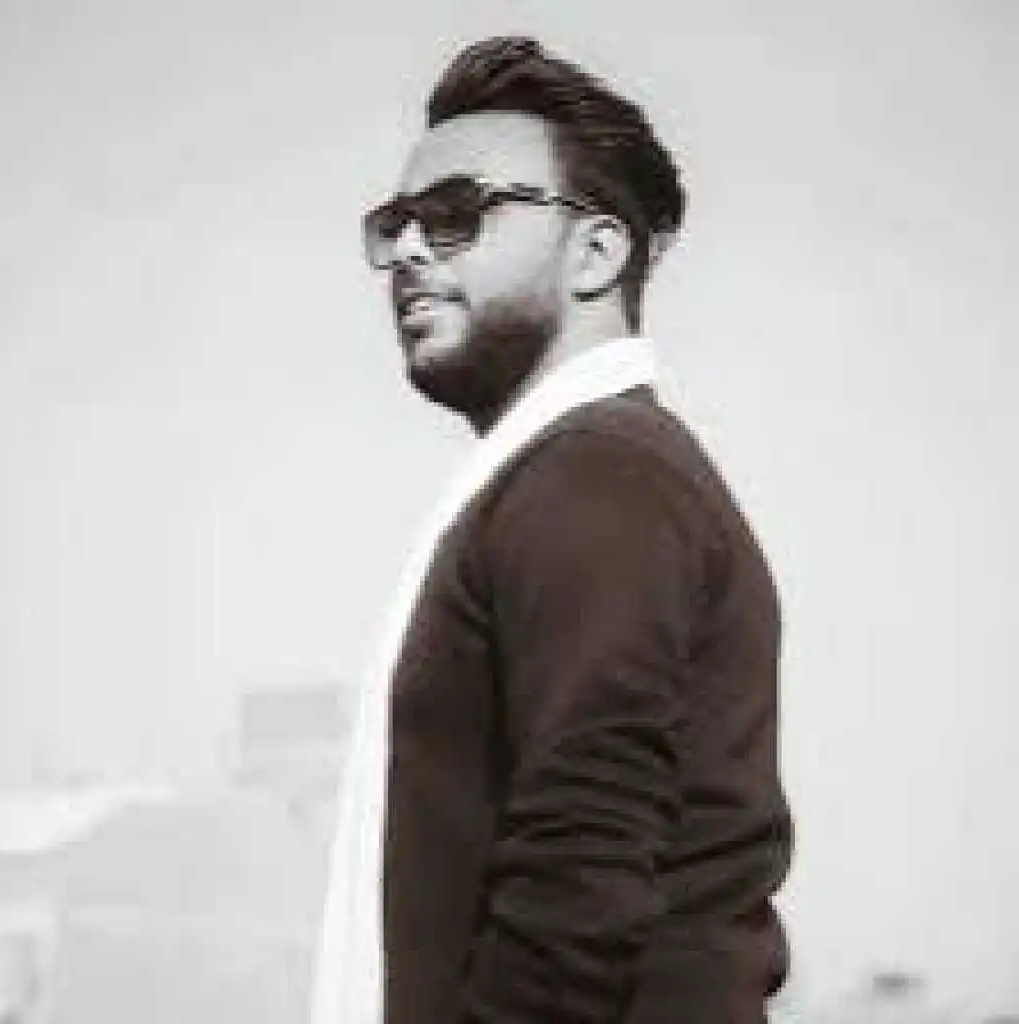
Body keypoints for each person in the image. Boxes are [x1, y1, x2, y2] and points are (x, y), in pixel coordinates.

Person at [311, 35, 793, 1024]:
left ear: (597, 253)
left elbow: (578, 879)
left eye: (456, 214)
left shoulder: (599, 476)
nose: (409, 250)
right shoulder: (569, 475)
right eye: (396, 224)